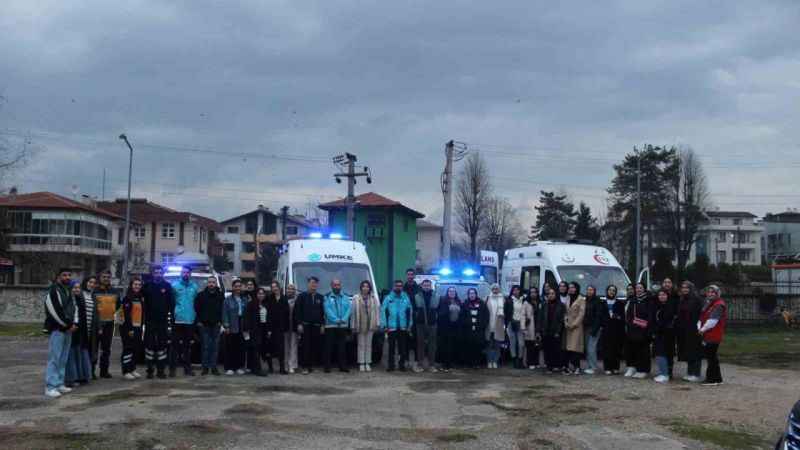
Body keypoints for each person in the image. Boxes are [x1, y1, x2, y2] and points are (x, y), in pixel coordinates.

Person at [44, 268, 77, 398]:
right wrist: (68, 325)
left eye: (69, 275)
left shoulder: (68, 290)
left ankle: (58, 383)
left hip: (67, 330)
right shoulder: (54, 290)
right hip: (58, 330)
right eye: (64, 275)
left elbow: (72, 309)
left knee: (63, 359)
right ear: (58, 277)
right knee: (54, 359)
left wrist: (73, 324)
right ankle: (50, 386)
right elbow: (54, 310)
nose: (67, 277)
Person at [142, 265, 174, 379]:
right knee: (149, 346)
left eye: (160, 272)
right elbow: (142, 302)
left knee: (162, 346)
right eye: (156, 272)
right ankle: (150, 370)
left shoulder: (167, 286)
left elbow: (171, 304)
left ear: (162, 274)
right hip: (150, 321)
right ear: (153, 273)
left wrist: (169, 316)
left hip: (163, 321)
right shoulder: (147, 286)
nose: (158, 274)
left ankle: (161, 370)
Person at [66, 277, 96, 387]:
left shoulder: (80, 300)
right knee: (71, 355)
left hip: (80, 330)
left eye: (78, 288)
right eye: (74, 288)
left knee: (80, 354)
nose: (76, 290)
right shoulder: (68, 300)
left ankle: (81, 376)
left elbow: (82, 316)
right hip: (70, 329)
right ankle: (71, 378)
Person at [170, 266, 199, 377]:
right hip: (177, 320)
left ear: (190, 274)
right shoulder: (174, 286)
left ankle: (187, 369)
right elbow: (171, 302)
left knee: (187, 347)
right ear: (181, 273)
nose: (185, 274)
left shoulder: (194, 287)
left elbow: (196, 303)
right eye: (184, 272)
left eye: (187, 272)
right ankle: (172, 370)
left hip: (190, 320)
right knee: (174, 346)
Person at [294, 276, 325, 374]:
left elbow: (323, 312)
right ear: (308, 284)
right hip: (305, 325)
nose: (314, 285)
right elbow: (297, 311)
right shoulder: (302, 296)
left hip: (316, 326)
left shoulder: (320, 297)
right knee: (305, 346)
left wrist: (322, 325)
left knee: (314, 346)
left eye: (315, 283)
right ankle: (304, 367)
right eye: (312, 283)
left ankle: (311, 366)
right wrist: (299, 324)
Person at [93, 269, 120, 379]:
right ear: (100, 278)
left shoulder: (115, 291)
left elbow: (118, 305)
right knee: (94, 348)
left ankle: (104, 371)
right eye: (104, 277)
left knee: (106, 349)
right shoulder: (94, 291)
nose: (106, 279)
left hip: (109, 323)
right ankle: (91, 371)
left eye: (108, 277)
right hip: (96, 324)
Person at [194, 276, 224, 376]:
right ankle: (205, 368)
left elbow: (222, 310)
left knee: (215, 347)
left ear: (216, 284)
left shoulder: (220, 295)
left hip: (216, 325)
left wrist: (221, 321)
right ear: (207, 284)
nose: (211, 284)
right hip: (204, 325)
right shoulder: (201, 295)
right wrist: (198, 321)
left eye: (213, 282)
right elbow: (196, 309)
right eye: (210, 282)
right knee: (205, 347)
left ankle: (214, 367)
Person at [699, 285, 727, 386]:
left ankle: (712, 380)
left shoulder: (719, 305)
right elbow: (702, 316)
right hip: (708, 334)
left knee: (711, 357)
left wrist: (702, 329)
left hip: (713, 334)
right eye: (709, 292)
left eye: (713, 292)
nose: (710, 294)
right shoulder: (709, 304)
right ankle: (717, 379)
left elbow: (713, 321)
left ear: (717, 293)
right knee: (711, 357)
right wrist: (700, 326)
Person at [382, 280, 413, 372]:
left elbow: (409, 312)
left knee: (402, 348)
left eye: (400, 286)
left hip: (403, 327)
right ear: (393, 287)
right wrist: (384, 325)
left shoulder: (406, 298)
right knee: (391, 348)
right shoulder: (388, 298)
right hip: (391, 327)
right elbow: (383, 312)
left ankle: (401, 365)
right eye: (397, 286)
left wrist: (409, 325)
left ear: (402, 287)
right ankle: (391, 365)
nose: (398, 287)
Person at [676, 281, 703, 382]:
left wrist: (699, 328)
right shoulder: (682, 299)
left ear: (691, 288)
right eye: (683, 287)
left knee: (695, 352)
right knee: (688, 351)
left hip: (694, 329)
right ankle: (690, 372)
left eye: (687, 288)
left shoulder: (696, 300)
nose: (684, 289)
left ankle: (696, 374)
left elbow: (700, 315)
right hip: (684, 329)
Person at [625, 282, 654, 379]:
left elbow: (650, 316)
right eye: (637, 288)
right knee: (634, 350)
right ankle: (636, 368)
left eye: (640, 288)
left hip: (644, 330)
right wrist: (632, 324)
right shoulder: (633, 300)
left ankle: (644, 370)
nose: (638, 289)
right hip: (633, 329)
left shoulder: (649, 300)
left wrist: (644, 325)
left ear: (644, 289)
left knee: (644, 351)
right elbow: (629, 315)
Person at [351, 280, 381, 372]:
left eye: (367, 286)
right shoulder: (356, 298)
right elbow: (353, 313)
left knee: (369, 345)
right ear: (361, 288)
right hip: (360, 324)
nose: (365, 288)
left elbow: (377, 311)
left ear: (369, 288)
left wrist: (377, 323)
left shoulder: (373, 298)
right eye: (363, 286)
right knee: (361, 345)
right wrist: (353, 325)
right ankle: (361, 363)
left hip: (370, 324)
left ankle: (368, 363)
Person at [323, 279, 352, 373]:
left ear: (341, 286)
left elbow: (349, 309)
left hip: (342, 326)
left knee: (342, 347)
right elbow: (327, 310)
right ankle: (327, 367)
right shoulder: (326, 297)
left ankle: (343, 367)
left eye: (338, 285)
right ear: (331, 286)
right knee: (328, 348)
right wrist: (336, 320)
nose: (337, 286)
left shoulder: (346, 297)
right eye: (335, 285)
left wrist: (343, 319)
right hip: (330, 326)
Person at [120, 277, 145, 380]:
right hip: (128, 328)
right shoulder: (127, 299)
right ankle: (125, 371)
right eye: (135, 284)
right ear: (131, 285)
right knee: (128, 349)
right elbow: (125, 316)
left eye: (139, 285)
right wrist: (129, 329)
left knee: (136, 349)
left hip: (138, 327)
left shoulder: (140, 298)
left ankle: (132, 369)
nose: (137, 286)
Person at [413, 279, 439, 373]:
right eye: (425, 285)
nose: (427, 287)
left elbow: (438, 309)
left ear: (431, 286)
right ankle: (420, 365)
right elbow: (414, 309)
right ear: (422, 286)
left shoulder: (436, 296)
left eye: (428, 285)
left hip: (432, 324)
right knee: (420, 345)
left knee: (432, 345)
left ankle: (431, 365)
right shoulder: (417, 296)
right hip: (420, 324)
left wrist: (435, 318)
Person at [538, 287, 566, 373]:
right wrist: (539, 330)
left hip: (556, 331)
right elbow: (540, 318)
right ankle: (549, 366)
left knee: (556, 349)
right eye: (549, 294)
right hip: (546, 330)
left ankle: (556, 365)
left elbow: (561, 320)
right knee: (547, 349)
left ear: (556, 294)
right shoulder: (544, 305)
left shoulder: (561, 305)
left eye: (553, 293)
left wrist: (558, 331)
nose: (551, 295)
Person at [460, 288, 489, 369]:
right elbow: (461, 316)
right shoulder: (465, 304)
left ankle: (477, 363)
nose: (472, 295)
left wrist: (482, 326)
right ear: (468, 295)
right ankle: (468, 363)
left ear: (476, 294)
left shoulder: (482, 303)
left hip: (478, 330)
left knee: (478, 347)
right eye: (470, 293)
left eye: (473, 293)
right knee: (468, 347)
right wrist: (466, 324)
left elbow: (486, 316)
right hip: (468, 330)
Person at [222, 279, 247, 375]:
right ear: (232, 288)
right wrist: (226, 326)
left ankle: (239, 367)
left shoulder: (244, 299)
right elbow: (225, 314)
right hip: (232, 324)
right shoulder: (227, 300)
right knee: (230, 347)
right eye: (236, 286)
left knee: (240, 347)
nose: (238, 288)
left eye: (239, 286)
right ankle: (229, 367)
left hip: (242, 324)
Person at [653, 289, 677, 383]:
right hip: (659, 333)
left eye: (664, 295)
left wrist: (659, 328)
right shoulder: (657, 306)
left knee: (662, 354)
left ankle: (665, 374)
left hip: (667, 334)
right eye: (660, 295)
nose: (661, 296)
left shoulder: (670, 307)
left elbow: (667, 320)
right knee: (660, 354)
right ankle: (664, 372)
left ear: (667, 296)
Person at [243, 287, 268, 377]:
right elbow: (246, 317)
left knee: (259, 349)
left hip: (263, 330)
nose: (261, 295)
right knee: (255, 349)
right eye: (259, 293)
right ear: (256, 295)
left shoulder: (265, 304)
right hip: (253, 330)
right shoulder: (251, 304)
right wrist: (246, 330)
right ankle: (257, 369)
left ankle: (254, 368)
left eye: (262, 293)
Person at [267, 281, 290, 374]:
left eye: (275, 286)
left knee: (281, 349)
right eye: (272, 287)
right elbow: (268, 314)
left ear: (279, 287)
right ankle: (270, 368)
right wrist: (268, 329)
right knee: (269, 348)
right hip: (271, 327)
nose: (274, 288)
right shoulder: (269, 298)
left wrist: (286, 327)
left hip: (281, 327)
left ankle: (281, 368)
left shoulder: (284, 298)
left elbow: (287, 313)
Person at [602, 285, 626, 375]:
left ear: (615, 292)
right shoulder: (603, 303)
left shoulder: (619, 303)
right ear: (607, 291)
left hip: (617, 329)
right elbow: (601, 316)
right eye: (610, 290)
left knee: (616, 348)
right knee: (607, 349)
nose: (611, 292)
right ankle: (607, 368)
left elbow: (623, 316)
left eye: (613, 290)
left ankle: (615, 367)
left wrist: (616, 316)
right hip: (606, 329)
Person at [582, 285, 606, 375]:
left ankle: (594, 367)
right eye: (588, 290)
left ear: (594, 291)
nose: (589, 291)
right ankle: (589, 366)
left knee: (591, 348)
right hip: (586, 327)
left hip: (594, 327)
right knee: (588, 348)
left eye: (591, 290)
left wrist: (595, 329)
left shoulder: (598, 301)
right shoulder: (586, 301)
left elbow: (598, 316)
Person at [437, 287, 461, 372]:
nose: (452, 293)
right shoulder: (443, 301)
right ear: (447, 292)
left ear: (455, 292)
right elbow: (440, 313)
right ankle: (444, 364)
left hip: (455, 328)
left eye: (453, 291)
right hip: (445, 327)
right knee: (445, 346)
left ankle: (451, 364)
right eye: (450, 291)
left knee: (453, 346)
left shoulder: (459, 301)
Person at [563, 282, 586, 375]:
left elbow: (582, 314)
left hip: (577, 327)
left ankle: (577, 367)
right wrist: (566, 322)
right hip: (568, 327)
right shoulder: (568, 298)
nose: (571, 289)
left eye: (573, 287)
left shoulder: (581, 299)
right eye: (570, 287)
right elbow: (566, 312)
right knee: (569, 348)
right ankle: (571, 366)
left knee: (576, 348)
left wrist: (574, 324)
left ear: (577, 288)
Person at [403, 269, 420, 370]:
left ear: (414, 276)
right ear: (406, 275)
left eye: (412, 274)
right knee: (405, 341)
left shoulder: (418, 288)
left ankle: (416, 363)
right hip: (404, 318)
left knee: (415, 341)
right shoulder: (402, 288)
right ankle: (406, 362)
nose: (410, 276)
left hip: (416, 318)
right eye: (408, 274)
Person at [485, 283, 505, 369]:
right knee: (489, 345)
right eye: (493, 288)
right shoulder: (487, 298)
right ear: (491, 289)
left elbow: (507, 312)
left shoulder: (503, 299)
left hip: (499, 326)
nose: (495, 290)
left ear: (499, 289)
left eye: (497, 288)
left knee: (497, 346)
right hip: (489, 326)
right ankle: (489, 361)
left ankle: (495, 361)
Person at [505, 285, 526, 369]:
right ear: (512, 291)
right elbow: (505, 312)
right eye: (514, 290)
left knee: (521, 344)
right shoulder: (509, 300)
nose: (516, 291)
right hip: (511, 323)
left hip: (521, 324)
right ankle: (514, 361)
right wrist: (508, 322)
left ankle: (520, 360)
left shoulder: (523, 300)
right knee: (512, 343)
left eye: (517, 290)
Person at [522, 288, 540, 369]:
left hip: (538, 325)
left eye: (535, 292)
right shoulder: (526, 303)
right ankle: (530, 362)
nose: (533, 294)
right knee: (530, 346)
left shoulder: (540, 302)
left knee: (537, 346)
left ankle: (536, 362)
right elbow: (523, 315)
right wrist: (523, 327)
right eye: (531, 292)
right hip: (529, 326)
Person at [283, 284, 299, 374]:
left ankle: (292, 365)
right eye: (289, 289)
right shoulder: (283, 299)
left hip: (294, 326)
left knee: (293, 346)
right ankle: (285, 365)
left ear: (294, 291)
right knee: (285, 347)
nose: (290, 290)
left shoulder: (297, 300)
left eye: (292, 289)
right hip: (285, 326)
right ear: (286, 290)